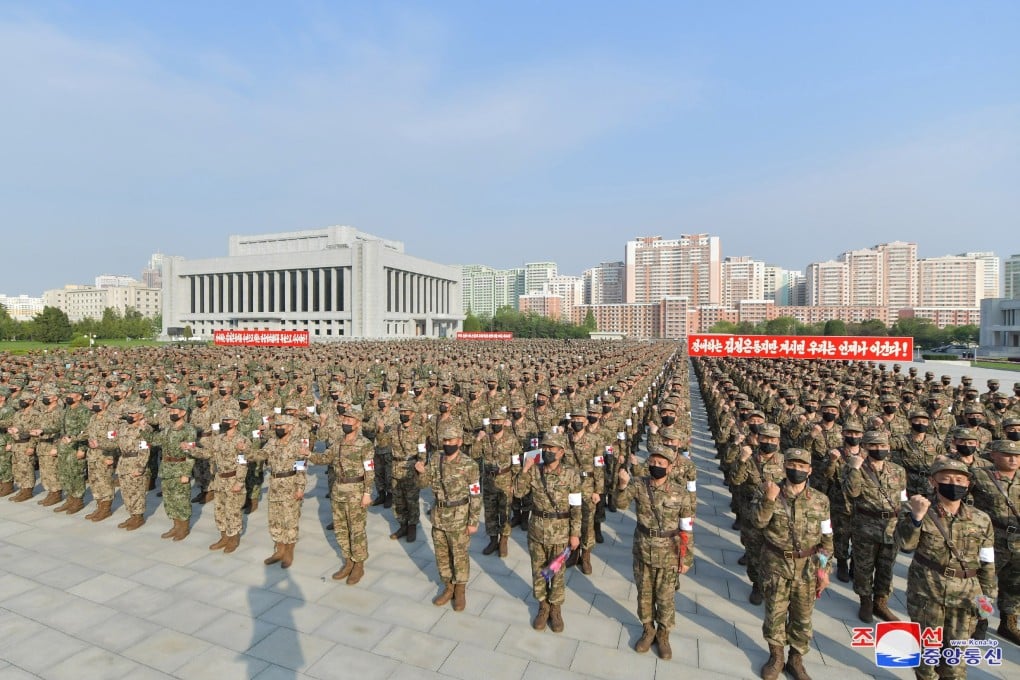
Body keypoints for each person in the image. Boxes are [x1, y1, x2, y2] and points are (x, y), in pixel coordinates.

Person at [896, 458, 996, 680]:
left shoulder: (981, 519)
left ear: (968, 484)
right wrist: (916, 518)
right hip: (927, 592)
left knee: (956, 659)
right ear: (933, 482)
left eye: (960, 480)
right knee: (927, 654)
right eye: (947, 479)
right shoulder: (916, 508)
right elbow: (905, 545)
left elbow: (987, 561)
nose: (954, 484)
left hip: (966, 595)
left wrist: (987, 598)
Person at [751, 448, 833, 680]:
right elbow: (757, 522)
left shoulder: (820, 500)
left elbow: (826, 539)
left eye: (801, 466)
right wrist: (769, 499)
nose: (796, 470)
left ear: (810, 470)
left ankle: (796, 659)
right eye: (792, 465)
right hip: (776, 565)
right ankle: (776, 657)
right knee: (775, 614)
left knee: (802, 617)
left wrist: (824, 569)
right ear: (784, 466)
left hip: (807, 568)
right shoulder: (767, 490)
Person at [614, 444, 694, 660]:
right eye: (653, 462)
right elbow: (620, 504)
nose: (655, 466)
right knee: (644, 595)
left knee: (666, 598)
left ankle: (663, 635)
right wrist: (622, 485)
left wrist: (686, 558)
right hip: (643, 550)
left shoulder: (680, 493)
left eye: (661, 463)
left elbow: (686, 528)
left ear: (670, 467)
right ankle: (648, 630)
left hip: (669, 554)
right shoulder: (638, 485)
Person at [513, 432, 582, 633]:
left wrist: (575, 534)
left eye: (551, 448)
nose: (547, 451)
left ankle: (555, 609)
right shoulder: (534, 470)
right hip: (537, 529)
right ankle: (543, 606)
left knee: (557, 572)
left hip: (560, 532)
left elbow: (576, 507)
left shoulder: (571, 474)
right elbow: (518, 492)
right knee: (538, 571)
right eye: (545, 448)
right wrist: (525, 470)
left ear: (561, 452)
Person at [842, 430, 907, 622]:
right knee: (864, 566)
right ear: (865, 447)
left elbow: (903, 497)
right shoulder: (854, 467)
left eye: (882, 446)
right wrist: (854, 468)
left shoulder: (897, 470)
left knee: (886, 566)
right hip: (866, 525)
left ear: (888, 447)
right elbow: (852, 493)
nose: (879, 449)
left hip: (891, 526)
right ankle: (865, 601)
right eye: (874, 446)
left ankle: (881, 602)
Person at [416, 424, 481, 611]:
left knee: (459, 555)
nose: (447, 444)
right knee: (442, 554)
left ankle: (460, 590)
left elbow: (476, 495)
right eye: (445, 440)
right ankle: (448, 586)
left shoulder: (470, 465)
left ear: (459, 442)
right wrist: (420, 472)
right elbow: (424, 484)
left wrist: (473, 521)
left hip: (459, 516)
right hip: (439, 515)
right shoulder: (436, 458)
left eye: (451, 440)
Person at [309, 410, 374, 584]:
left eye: (350, 420)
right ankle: (348, 561)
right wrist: (308, 454)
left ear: (358, 424)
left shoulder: (365, 444)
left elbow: (369, 470)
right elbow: (325, 458)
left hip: (356, 492)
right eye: (345, 419)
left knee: (357, 530)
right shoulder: (338, 442)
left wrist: (367, 493)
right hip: (338, 490)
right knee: (340, 528)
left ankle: (358, 565)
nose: (346, 422)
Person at [968, 439, 1020, 644]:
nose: (1013, 459)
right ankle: (980, 620)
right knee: (984, 583)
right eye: (1007, 455)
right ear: (993, 456)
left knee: (1015, 583)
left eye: (1017, 456)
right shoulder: (979, 475)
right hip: (992, 539)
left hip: (1018, 540)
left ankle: (1009, 622)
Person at [247, 414, 310, 569]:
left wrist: (300, 488)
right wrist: (247, 451)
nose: (278, 428)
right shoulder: (272, 441)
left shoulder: (297, 444)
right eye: (277, 425)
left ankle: (288, 551)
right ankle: (279, 550)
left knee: (290, 519)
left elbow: (301, 467)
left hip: (290, 484)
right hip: (275, 485)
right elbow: (262, 454)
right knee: (274, 519)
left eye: (282, 426)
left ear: (290, 428)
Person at [193, 409, 250, 553]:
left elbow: (243, 462)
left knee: (233, 511)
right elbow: (208, 453)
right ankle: (224, 536)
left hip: (233, 479)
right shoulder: (218, 438)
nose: (225, 422)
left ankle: (233, 538)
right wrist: (192, 450)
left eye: (228, 420)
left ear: (236, 422)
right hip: (220, 479)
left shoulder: (242, 440)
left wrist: (239, 482)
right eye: (223, 420)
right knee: (219, 510)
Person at [478, 409, 523, 558]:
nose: (496, 424)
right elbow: (474, 455)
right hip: (488, 481)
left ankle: (503, 540)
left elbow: (516, 463)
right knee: (490, 512)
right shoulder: (485, 439)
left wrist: (514, 482)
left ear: (504, 422)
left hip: (505, 480)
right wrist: (477, 439)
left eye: (498, 421)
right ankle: (492, 540)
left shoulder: (512, 440)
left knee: (505, 512)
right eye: (493, 421)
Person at [154, 399, 198, 540]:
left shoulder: (189, 430)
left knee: (181, 499)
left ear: (183, 412)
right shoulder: (168, 428)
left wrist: (186, 473)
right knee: (169, 499)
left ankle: (183, 528)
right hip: (166, 468)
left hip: (180, 468)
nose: (171, 412)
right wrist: (142, 429)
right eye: (171, 410)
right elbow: (155, 440)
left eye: (174, 410)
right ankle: (176, 526)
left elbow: (190, 454)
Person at [388, 402, 426, 542]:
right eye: (401, 412)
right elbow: (383, 442)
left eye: (406, 412)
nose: (403, 414)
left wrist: (421, 465)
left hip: (411, 469)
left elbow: (422, 451)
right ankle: (402, 525)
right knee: (398, 500)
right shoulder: (394, 429)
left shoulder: (419, 430)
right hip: (395, 467)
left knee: (411, 500)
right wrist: (380, 431)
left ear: (413, 414)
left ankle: (412, 526)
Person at [114, 408, 152, 530]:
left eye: (133, 413)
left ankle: (138, 517)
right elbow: (116, 441)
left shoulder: (144, 429)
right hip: (123, 463)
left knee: (137, 492)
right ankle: (132, 515)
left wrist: (140, 467)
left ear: (140, 415)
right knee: (126, 492)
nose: (130, 415)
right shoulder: (124, 427)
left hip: (136, 462)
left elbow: (145, 449)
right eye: (129, 413)